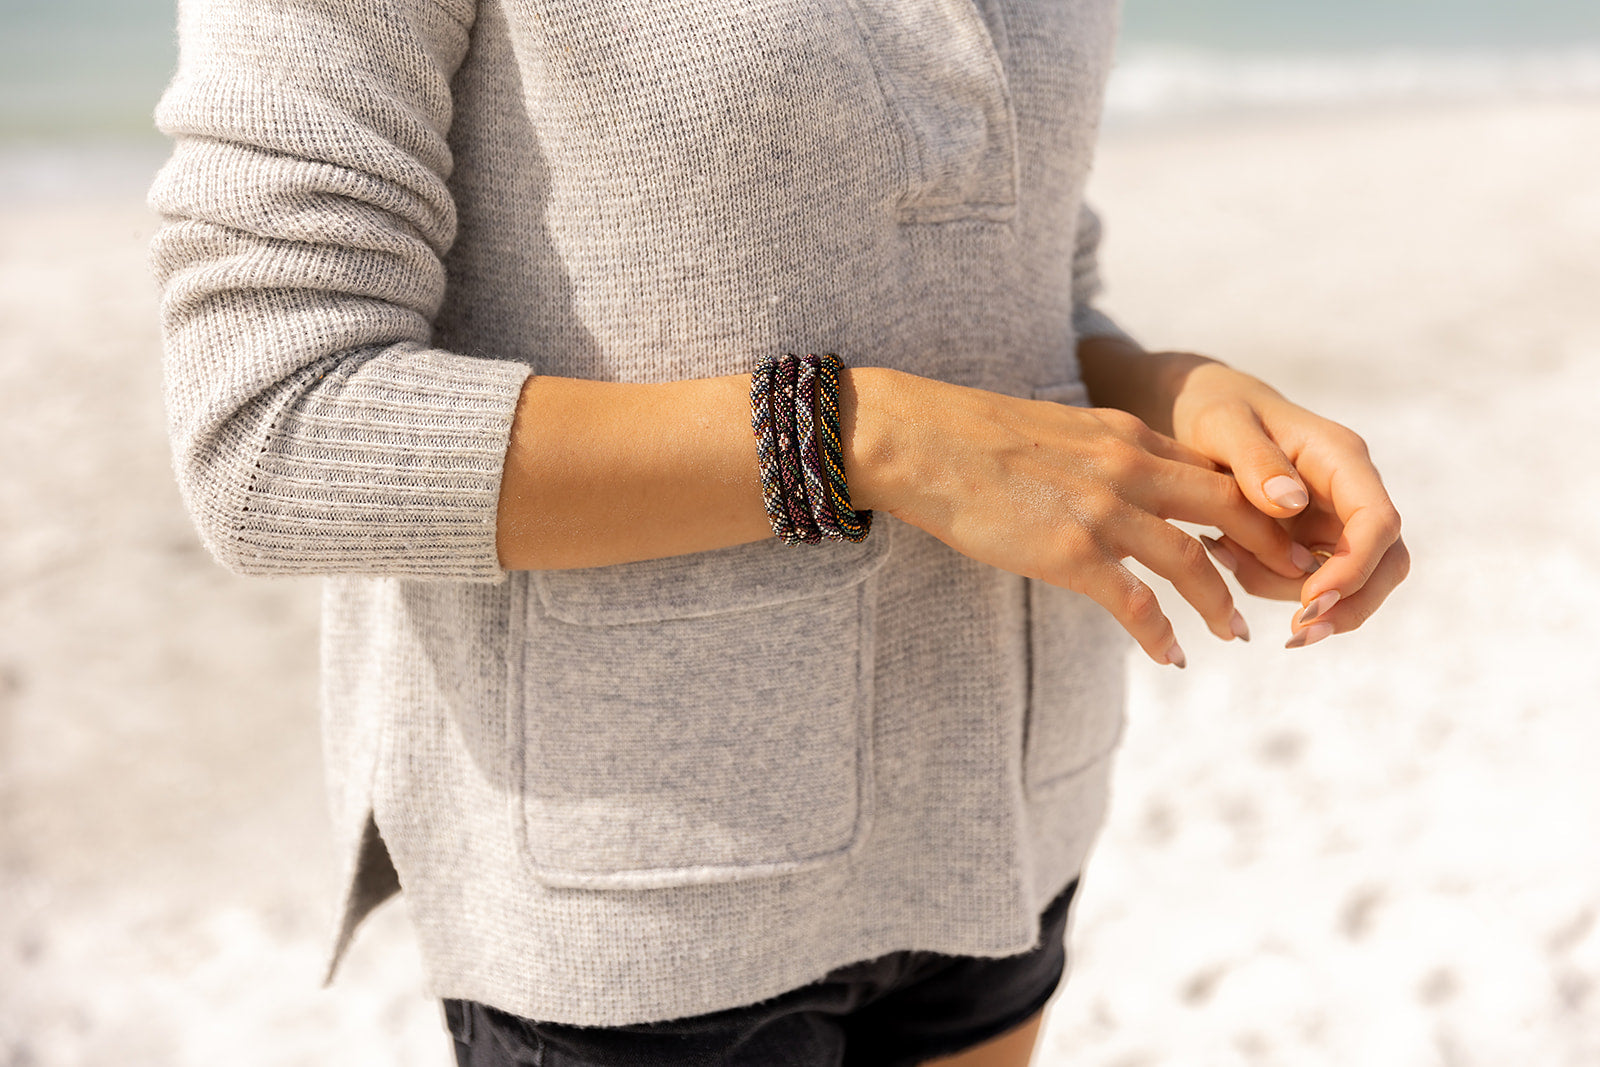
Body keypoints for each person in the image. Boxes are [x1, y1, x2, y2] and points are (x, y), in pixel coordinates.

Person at [148, 0, 1408, 1064]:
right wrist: (863, 434)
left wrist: (1158, 390)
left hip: (1005, 806)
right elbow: (274, 429)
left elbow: (1019, 274)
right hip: (643, 884)